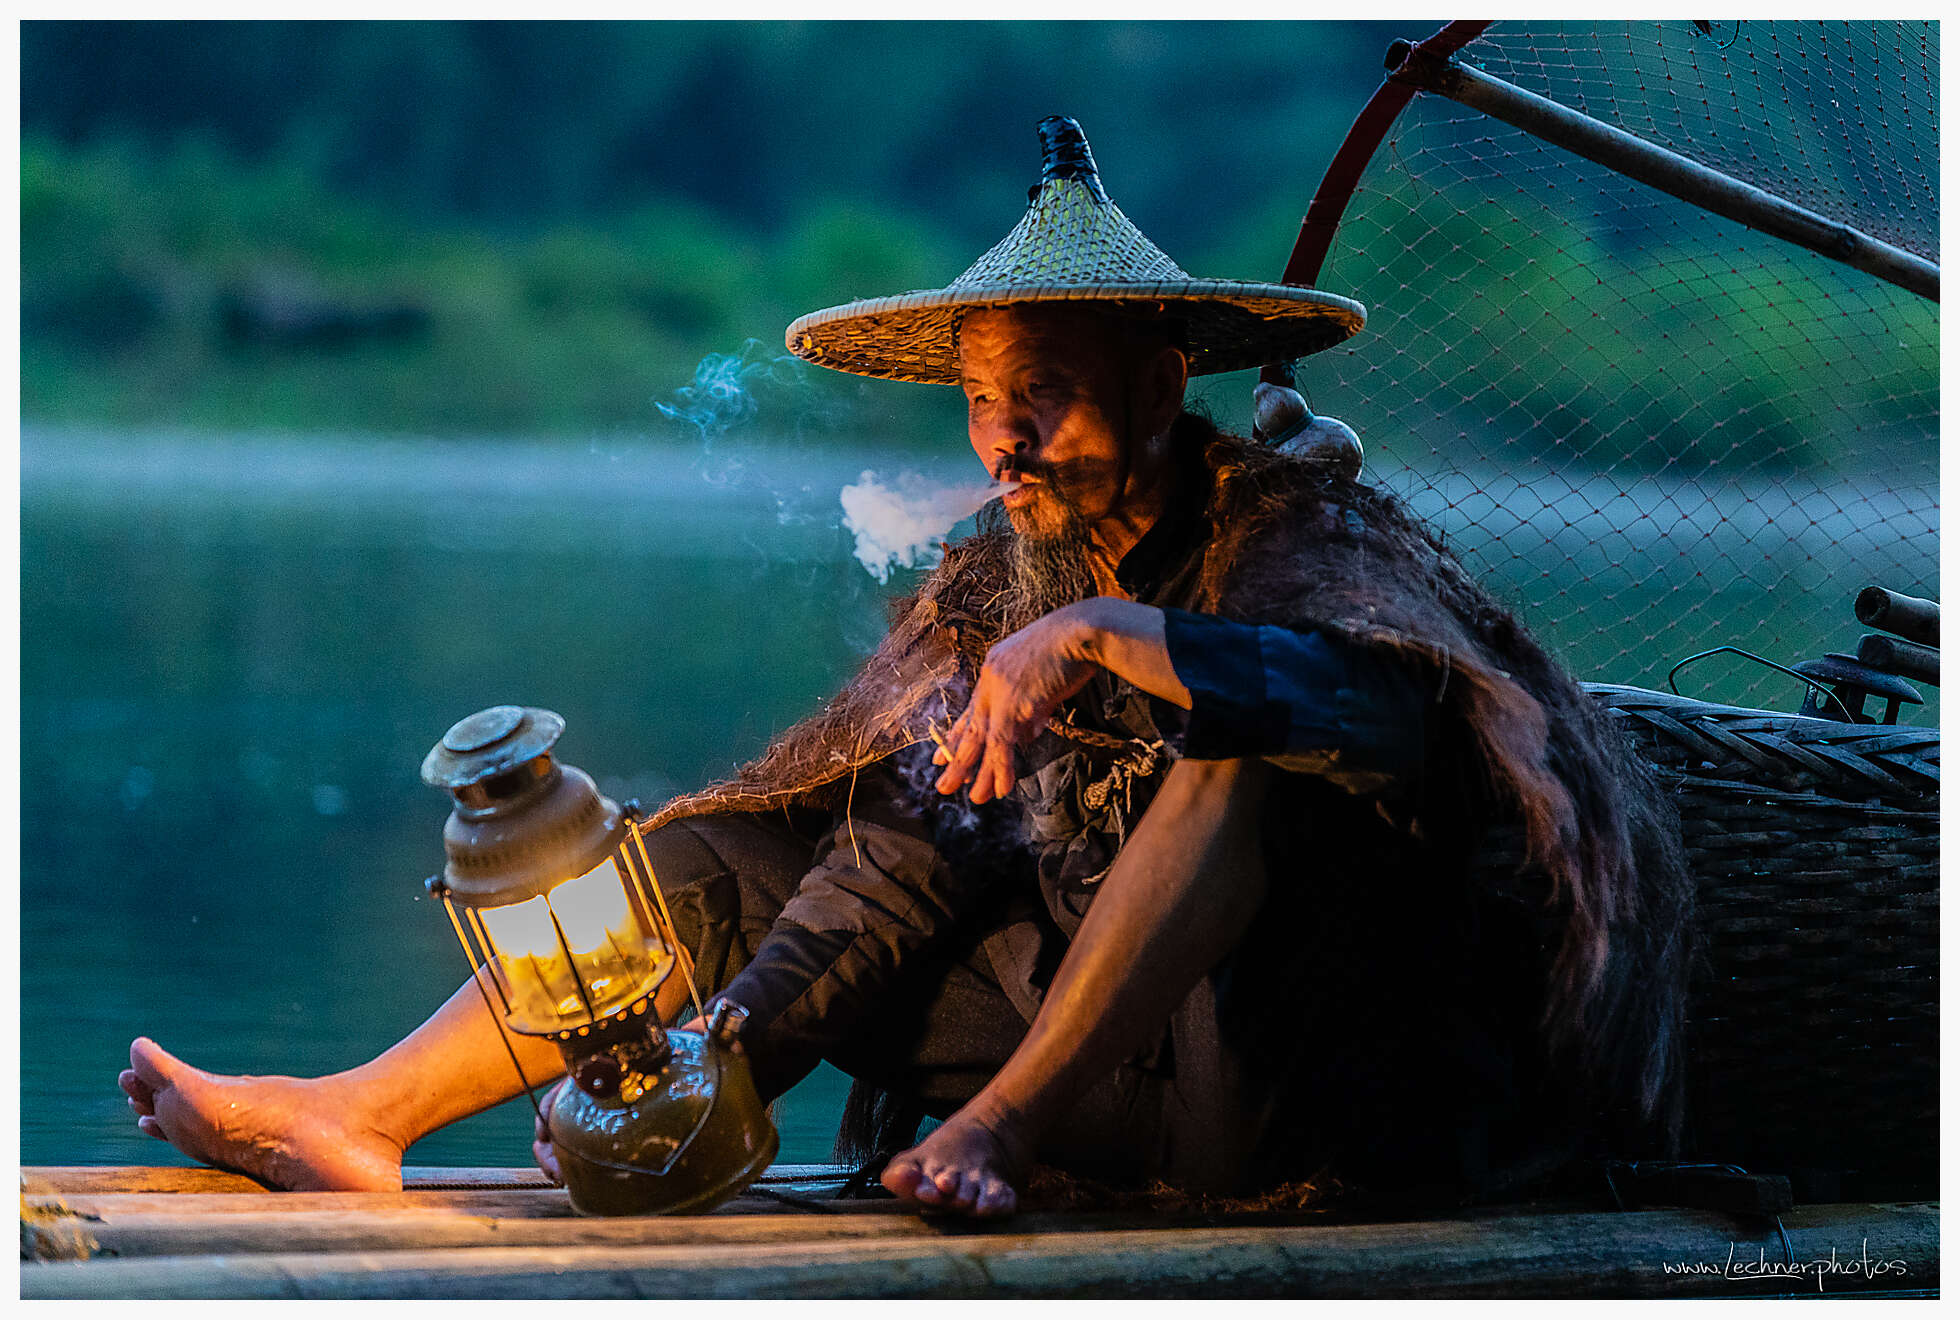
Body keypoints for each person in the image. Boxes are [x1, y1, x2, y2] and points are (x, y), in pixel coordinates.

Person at [121, 117, 1692, 1218]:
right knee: (750, 848)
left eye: (1054, 397)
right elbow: (911, 848)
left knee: (1241, 756)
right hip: (1100, 1062)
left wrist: (1105, 638)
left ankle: (1000, 1136)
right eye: (986, 398)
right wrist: (728, 1046)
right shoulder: (994, 575)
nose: (1007, 438)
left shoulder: (1293, 533)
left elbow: (1376, 716)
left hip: (1302, 1086)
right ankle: (362, 1117)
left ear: (1163, 385)